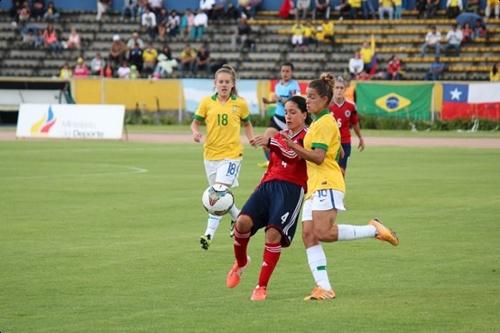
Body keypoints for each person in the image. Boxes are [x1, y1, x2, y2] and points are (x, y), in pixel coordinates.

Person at [282, 73, 399, 300]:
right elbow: (337, 150)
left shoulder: (325, 122)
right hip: (315, 186)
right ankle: (324, 287)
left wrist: (292, 146)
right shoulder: (319, 123)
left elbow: (317, 157)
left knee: (323, 233)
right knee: (308, 235)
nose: (308, 100)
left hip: (327, 182)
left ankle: (374, 230)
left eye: (313, 97)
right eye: (307, 96)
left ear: (325, 100)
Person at [226, 96, 310, 301]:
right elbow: (273, 165)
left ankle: (261, 287)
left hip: (291, 190)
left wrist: (271, 142)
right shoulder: (280, 135)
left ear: (304, 115)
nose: (288, 116)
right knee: (242, 222)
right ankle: (241, 262)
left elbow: (292, 156)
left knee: (273, 235)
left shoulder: (308, 136)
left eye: (293, 112)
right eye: (286, 112)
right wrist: (260, 185)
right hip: (268, 186)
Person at [191, 64, 256, 250]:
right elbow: (195, 124)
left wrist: (251, 139)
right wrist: (195, 133)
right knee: (221, 195)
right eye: (221, 82)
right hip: (211, 155)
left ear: (233, 84)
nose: (224, 85)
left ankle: (208, 234)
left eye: (227, 82)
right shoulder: (206, 102)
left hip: (232, 155)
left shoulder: (240, 104)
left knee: (217, 194)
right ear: (215, 83)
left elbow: (247, 124)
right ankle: (238, 219)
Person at [261, 62, 301, 167]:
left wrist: (279, 99)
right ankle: (272, 164)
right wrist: (269, 102)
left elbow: (293, 101)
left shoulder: (294, 85)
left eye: (287, 71)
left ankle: (288, 165)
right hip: (278, 118)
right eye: (283, 71)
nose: (285, 73)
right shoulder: (278, 85)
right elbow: (278, 101)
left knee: (291, 146)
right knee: (266, 141)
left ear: (291, 72)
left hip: (290, 120)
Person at [328, 77, 364, 176]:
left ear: (345, 89)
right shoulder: (327, 105)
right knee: (330, 170)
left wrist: (360, 138)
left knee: (341, 171)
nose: (339, 90)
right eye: (337, 88)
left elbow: (355, 123)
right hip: (330, 142)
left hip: (345, 142)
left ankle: (340, 191)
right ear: (333, 89)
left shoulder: (350, 106)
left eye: (341, 88)